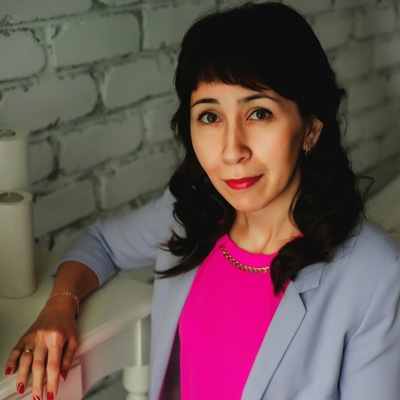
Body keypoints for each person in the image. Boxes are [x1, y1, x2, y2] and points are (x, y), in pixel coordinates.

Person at [5, 2, 400, 399]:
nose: (231, 150)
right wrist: (59, 308)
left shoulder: (374, 274)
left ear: (311, 128)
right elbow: (102, 244)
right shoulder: (188, 215)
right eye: (210, 117)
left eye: (259, 113)